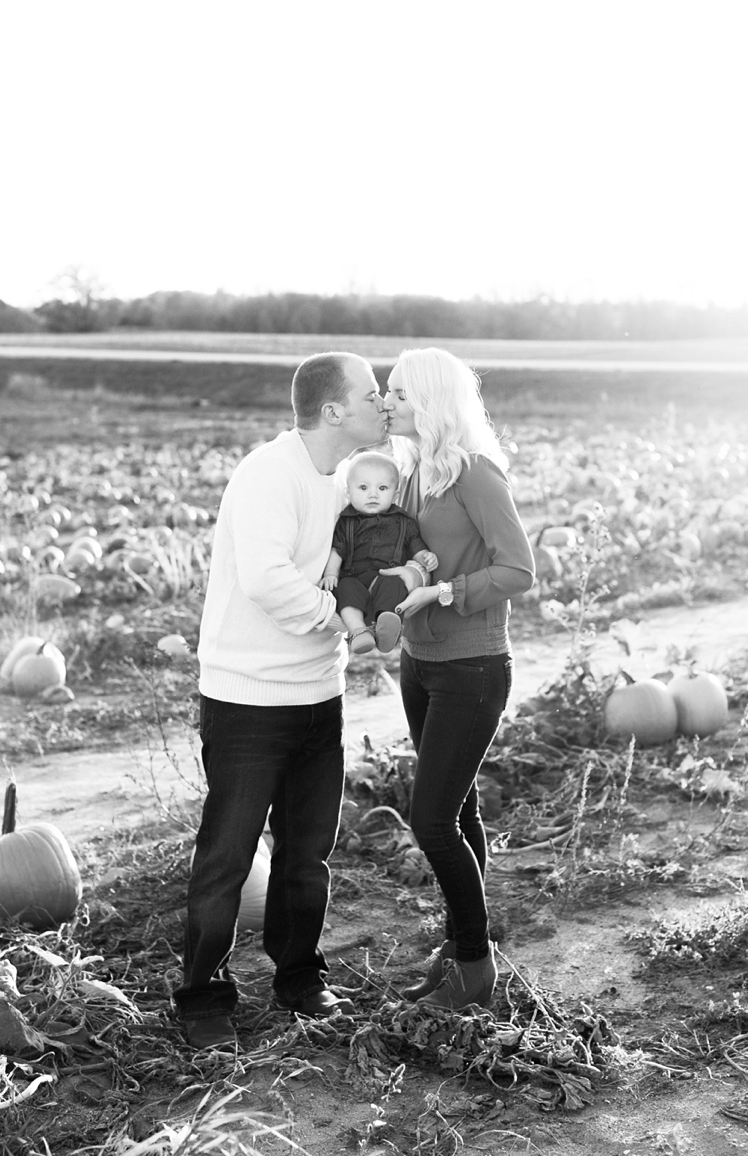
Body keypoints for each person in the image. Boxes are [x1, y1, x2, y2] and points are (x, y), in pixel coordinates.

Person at [173, 351, 388, 1049]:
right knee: (228, 855)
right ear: (334, 410)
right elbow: (266, 579)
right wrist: (343, 620)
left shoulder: (348, 480)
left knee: (306, 855)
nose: (382, 404)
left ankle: (299, 976)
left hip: (316, 697)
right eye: (372, 394)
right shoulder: (270, 473)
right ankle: (201, 995)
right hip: (247, 702)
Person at [380, 346, 536, 1012]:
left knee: (431, 820)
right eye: (385, 392)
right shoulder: (415, 474)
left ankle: (474, 967)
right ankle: (461, 942)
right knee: (459, 810)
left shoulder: (474, 474)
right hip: (418, 666)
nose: (385, 402)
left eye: (397, 394)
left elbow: (519, 570)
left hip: (472, 668)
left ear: (432, 402)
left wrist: (443, 593)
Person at [320, 450, 438, 655]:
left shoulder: (403, 521)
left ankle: (386, 626)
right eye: (363, 488)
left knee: (395, 586)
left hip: (385, 576)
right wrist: (331, 573)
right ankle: (358, 632)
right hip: (354, 577)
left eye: (382, 488)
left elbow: (414, 544)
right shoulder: (346, 521)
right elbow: (337, 550)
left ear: (396, 495)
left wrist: (424, 556)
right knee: (345, 588)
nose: (372, 494)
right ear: (349, 492)